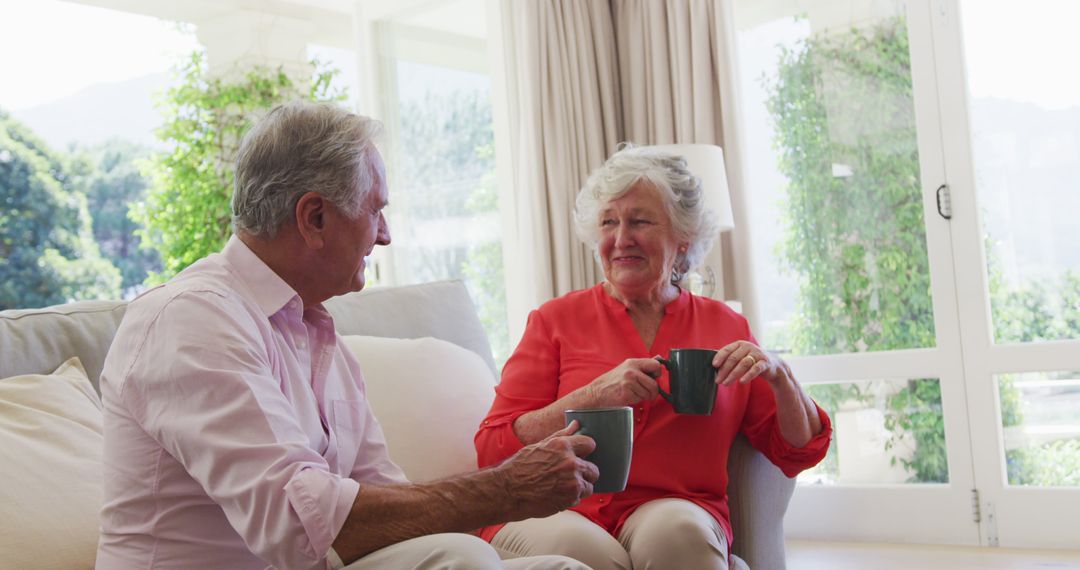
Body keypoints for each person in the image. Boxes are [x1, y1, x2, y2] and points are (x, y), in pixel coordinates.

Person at [96, 101, 599, 570]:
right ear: (314, 217)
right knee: (461, 561)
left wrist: (507, 493)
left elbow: (387, 503)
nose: (385, 235)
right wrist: (506, 487)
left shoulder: (317, 334)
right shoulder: (191, 319)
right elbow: (295, 524)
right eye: (376, 210)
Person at [474, 144, 833, 570]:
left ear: (683, 239)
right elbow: (493, 448)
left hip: (675, 505)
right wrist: (593, 394)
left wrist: (779, 376)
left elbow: (796, 451)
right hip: (560, 506)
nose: (621, 239)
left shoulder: (725, 328)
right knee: (588, 553)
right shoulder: (555, 321)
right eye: (609, 222)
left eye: (639, 221)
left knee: (680, 535)